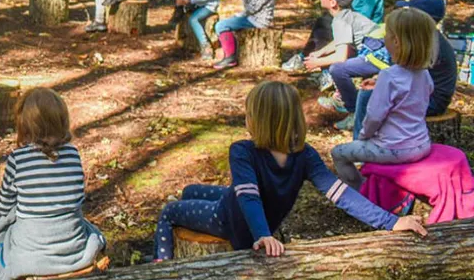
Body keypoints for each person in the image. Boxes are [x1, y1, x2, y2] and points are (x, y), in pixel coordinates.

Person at [152, 81, 427, 261]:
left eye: (249, 114)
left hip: (231, 222)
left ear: (260, 121)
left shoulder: (242, 150)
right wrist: (390, 221)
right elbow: (341, 193)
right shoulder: (304, 154)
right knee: (191, 190)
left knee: (169, 211)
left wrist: (262, 236)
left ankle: (160, 268)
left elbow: (248, 198)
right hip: (254, 218)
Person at [0, 87, 105, 280]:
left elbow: (4, 205)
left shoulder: (18, 158)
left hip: (31, 248)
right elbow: (76, 197)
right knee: (90, 229)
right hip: (71, 244)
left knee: (0, 244)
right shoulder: (73, 154)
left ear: (24, 126)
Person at [331, 8, 438, 189]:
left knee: (338, 153)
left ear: (395, 41)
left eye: (387, 33)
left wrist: (363, 136)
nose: (384, 36)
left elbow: (374, 116)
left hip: (393, 148)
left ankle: (361, 192)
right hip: (422, 144)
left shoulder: (389, 76)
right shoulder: (425, 74)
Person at [352, 0, 457, 140]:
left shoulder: (427, 44)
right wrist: (379, 83)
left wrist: (382, 86)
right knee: (373, 95)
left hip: (430, 101)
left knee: (366, 97)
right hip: (422, 95)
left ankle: (361, 140)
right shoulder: (427, 38)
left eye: (411, 11)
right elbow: (410, 77)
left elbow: (412, 80)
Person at [300, 0, 377, 91]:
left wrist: (317, 62)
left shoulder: (340, 21)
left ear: (333, 3)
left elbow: (341, 57)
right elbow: (341, 41)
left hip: (376, 58)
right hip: (379, 53)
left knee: (337, 69)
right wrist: (321, 52)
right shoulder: (348, 15)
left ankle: (347, 102)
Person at [212, 0, 279, 70]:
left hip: (258, 22)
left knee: (221, 25)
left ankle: (230, 57)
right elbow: (247, 5)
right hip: (252, 18)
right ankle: (229, 53)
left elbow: (250, 8)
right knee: (226, 23)